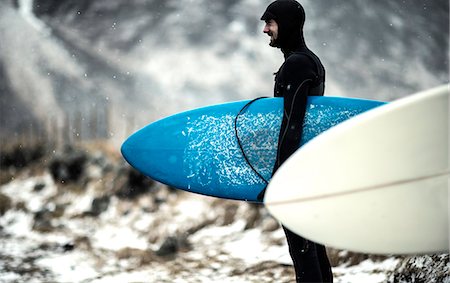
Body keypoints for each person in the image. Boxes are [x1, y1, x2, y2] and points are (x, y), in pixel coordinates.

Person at [259, 1, 333, 282]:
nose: (265, 29)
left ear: (287, 24)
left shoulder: (297, 64)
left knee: (303, 250)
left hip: (297, 169)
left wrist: (280, 176)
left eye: (270, 22)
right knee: (313, 245)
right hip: (309, 164)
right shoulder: (310, 60)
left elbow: (293, 123)